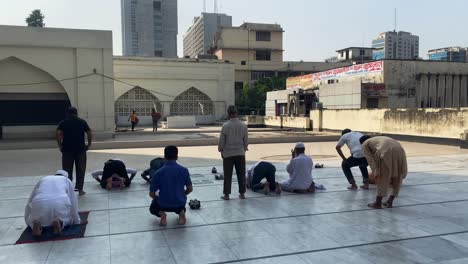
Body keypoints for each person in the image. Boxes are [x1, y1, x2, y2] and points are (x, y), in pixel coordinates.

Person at [24, 170, 85, 236]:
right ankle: (60, 223)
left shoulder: (44, 179)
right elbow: (73, 202)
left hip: (39, 203)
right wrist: (77, 221)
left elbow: (30, 200)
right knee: (69, 219)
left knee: (34, 219)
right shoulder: (66, 180)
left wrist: (27, 220)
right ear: (66, 176)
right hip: (59, 203)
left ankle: (36, 224)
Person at [360, 135, 408, 209]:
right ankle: (390, 201)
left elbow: (370, 160)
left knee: (383, 177)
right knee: (398, 176)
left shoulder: (364, 144)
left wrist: (376, 172)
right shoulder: (377, 139)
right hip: (400, 149)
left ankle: (378, 203)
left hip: (385, 151)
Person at [149, 146, 193, 226]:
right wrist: (183, 194)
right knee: (181, 206)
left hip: (163, 203)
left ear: (165, 157)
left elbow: (151, 194)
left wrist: (156, 198)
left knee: (153, 208)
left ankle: (162, 214)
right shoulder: (184, 170)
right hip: (178, 203)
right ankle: (181, 212)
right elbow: (190, 189)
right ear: (177, 157)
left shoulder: (158, 173)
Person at [56, 106, 92, 196]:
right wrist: (89, 144)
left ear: (67, 113)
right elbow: (89, 133)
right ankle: (80, 190)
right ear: (76, 113)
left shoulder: (63, 122)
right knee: (81, 170)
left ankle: (68, 190)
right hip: (80, 150)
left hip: (67, 150)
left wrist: (60, 145)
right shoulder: (82, 122)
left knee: (67, 170)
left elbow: (58, 134)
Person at [218, 105, 248, 200]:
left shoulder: (225, 126)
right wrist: (244, 148)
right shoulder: (243, 125)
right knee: (241, 174)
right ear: (236, 113)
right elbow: (246, 141)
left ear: (228, 114)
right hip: (240, 153)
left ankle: (227, 195)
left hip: (228, 154)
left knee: (227, 175)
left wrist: (221, 150)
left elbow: (222, 141)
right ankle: (242, 194)